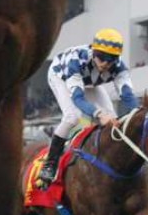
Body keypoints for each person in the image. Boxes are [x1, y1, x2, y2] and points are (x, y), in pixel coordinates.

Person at [36, 28, 138, 188]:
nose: (105, 63)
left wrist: (138, 112)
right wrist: (97, 114)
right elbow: (77, 98)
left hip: (90, 81)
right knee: (73, 116)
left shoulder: (120, 69)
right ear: (94, 51)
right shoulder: (76, 62)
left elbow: (127, 95)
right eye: (101, 57)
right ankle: (50, 163)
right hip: (61, 75)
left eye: (110, 59)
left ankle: (108, 160)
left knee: (113, 117)